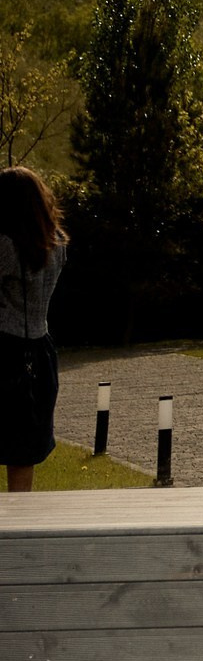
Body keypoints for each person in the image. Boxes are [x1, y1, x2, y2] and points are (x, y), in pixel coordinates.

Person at [0, 166, 68, 492]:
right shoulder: (55, 245)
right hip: (40, 352)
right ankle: (20, 530)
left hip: (4, 349)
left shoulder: (6, 248)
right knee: (23, 454)